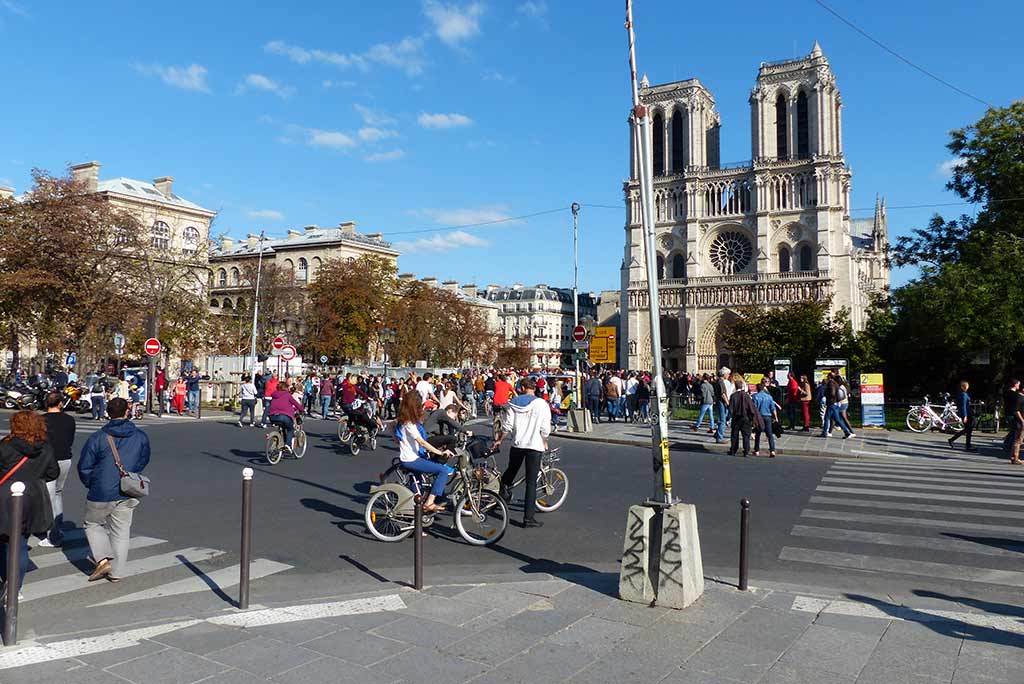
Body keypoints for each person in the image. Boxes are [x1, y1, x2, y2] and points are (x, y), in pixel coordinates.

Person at [77, 398, 150, 583]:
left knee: (93, 524)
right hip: (128, 489)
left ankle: (102, 559)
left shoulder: (98, 437)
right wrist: (131, 475)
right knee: (121, 531)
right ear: (127, 412)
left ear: (108, 413)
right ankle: (116, 573)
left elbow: (84, 466)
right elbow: (143, 459)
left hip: (101, 489)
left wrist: (91, 482)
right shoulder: (140, 436)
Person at [0, 411, 58, 600]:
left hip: (5, 498)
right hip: (33, 499)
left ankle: (5, 581)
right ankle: (15, 588)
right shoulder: (45, 447)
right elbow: (53, 473)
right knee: (21, 544)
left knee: (5, 543)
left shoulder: (5, 446)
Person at [494, 377, 551, 529]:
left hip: (518, 444)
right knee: (531, 482)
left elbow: (506, 426)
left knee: (511, 470)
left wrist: (499, 440)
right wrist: (545, 440)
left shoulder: (513, 403)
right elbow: (545, 427)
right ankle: (528, 518)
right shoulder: (542, 404)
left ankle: (501, 494)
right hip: (534, 445)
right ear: (534, 388)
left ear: (522, 388)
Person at [394, 391, 453, 514]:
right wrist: (440, 452)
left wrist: (400, 442)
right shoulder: (409, 423)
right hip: (411, 459)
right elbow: (422, 443)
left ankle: (414, 520)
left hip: (409, 457)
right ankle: (430, 502)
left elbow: (390, 426)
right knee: (442, 470)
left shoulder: (403, 419)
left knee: (417, 488)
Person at [40, 392, 76, 546]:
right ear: (60, 403)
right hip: (64, 458)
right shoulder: (69, 419)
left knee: (49, 497)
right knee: (58, 493)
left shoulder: (40, 420)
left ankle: (53, 535)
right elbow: (70, 439)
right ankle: (57, 529)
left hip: (46, 461)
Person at [267, 382, 305, 451]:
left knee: (283, 427)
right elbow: (295, 403)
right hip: (284, 416)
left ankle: (280, 442)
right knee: (290, 429)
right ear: (286, 388)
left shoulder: (274, 395)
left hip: (272, 416)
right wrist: (302, 410)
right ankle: (288, 445)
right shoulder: (287, 395)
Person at [728, 376, 758, 457]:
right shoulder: (746, 396)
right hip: (746, 417)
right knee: (746, 435)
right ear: (742, 386)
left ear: (735, 386)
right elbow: (751, 407)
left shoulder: (733, 396)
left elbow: (730, 408)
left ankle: (733, 450)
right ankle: (746, 451)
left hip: (736, 417)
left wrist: (728, 418)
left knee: (734, 435)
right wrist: (752, 418)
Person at [751, 379, 779, 458]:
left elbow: (754, 409)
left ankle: (756, 450)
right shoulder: (769, 397)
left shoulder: (755, 397)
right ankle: (772, 450)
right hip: (768, 416)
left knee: (758, 434)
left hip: (759, 417)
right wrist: (776, 417)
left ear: (757, 389)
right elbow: (773, 408)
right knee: (769, 434)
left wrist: (754, 419)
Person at [948, 380, 975, 451]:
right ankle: (967, 445)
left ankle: (953, 440)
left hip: (967, 413)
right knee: (968, 429)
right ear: (963, 387)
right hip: (967, 414)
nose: (967, 387)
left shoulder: (962, 394)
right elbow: (963, 406)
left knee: (968, 429)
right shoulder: (963, 394)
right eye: (966, 386)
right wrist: (965, 415)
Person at [1003, 379, 1023, 465]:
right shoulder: (1016, 395)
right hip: (1015, 416)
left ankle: (1013, 456)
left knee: (1015, 435)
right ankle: (1015, 457)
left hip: (1008, 414)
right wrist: (1022, 420)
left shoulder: (1006, 393)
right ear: (1015, 384)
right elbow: (1016, 409)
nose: (1019, 386)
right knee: (1018, 438)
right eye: (1018, 384)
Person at [715, 367, 733, 444]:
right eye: (728, 374)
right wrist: (727, 402)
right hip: (722, 402)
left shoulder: (718, 381)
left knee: (723, 419)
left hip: (720, 402)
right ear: (724, 374)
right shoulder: (721, 382)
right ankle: (719, 437)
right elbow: (723, 394)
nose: (729, 375)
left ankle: (717, 434)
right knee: (722, 420)